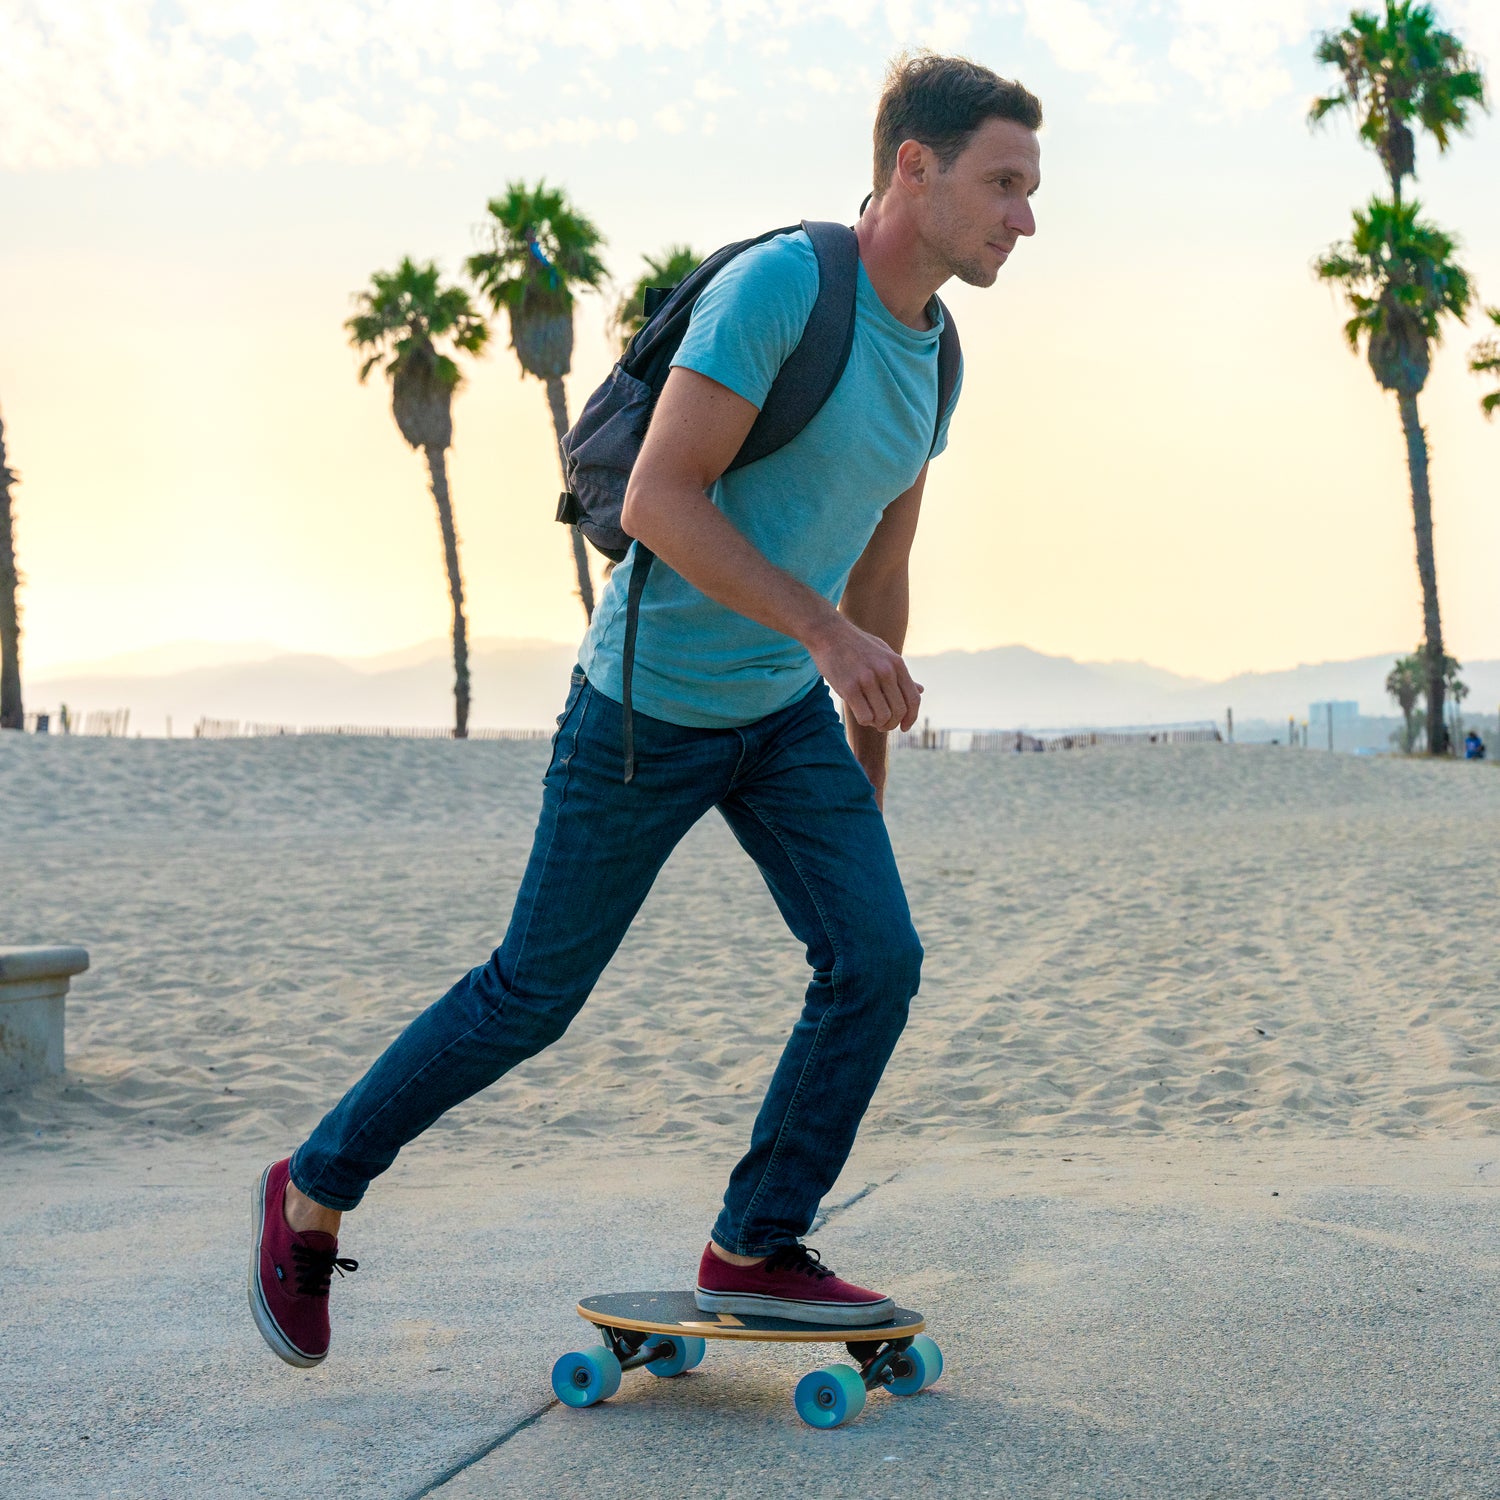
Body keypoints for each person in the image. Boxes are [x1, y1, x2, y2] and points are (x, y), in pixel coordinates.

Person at [249, 52, 1043, 1368]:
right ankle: (312, 1187)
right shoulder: (785, 288)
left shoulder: (937, 356)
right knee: (529, 996)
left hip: (785, 717)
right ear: (916, 166)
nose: (1025, 217)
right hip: (644, 711)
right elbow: (665, 502)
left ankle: (757, 1241)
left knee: (877, 959)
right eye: (1004, 184)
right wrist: (831, 637)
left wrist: (864, 773)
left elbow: (882, 568)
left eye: (1031, 189)